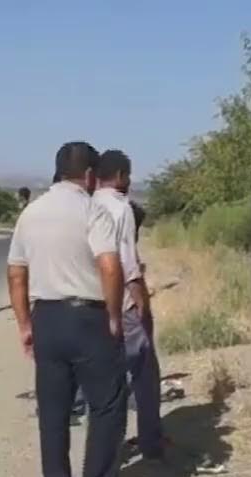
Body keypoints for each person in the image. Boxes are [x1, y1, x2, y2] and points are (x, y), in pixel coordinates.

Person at [7, 141, 133, 477]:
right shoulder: (92, 210)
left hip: (46, 317)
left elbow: (16, 273)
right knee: (108, 406)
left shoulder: (30, 213)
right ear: (91, 175)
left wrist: (25, 324)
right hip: (88, 317)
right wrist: (113, 316)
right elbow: (110, 267)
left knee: (54, 411)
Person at [92, 150, 165, 460]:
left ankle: (109, 448)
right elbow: (126, 265)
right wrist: (142, 306)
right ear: (121, 176)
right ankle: (150, 443)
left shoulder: (86, 204)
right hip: (122, 306)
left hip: (91, 307)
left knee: (108, 384)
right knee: (145, 375)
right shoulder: (122, 209)